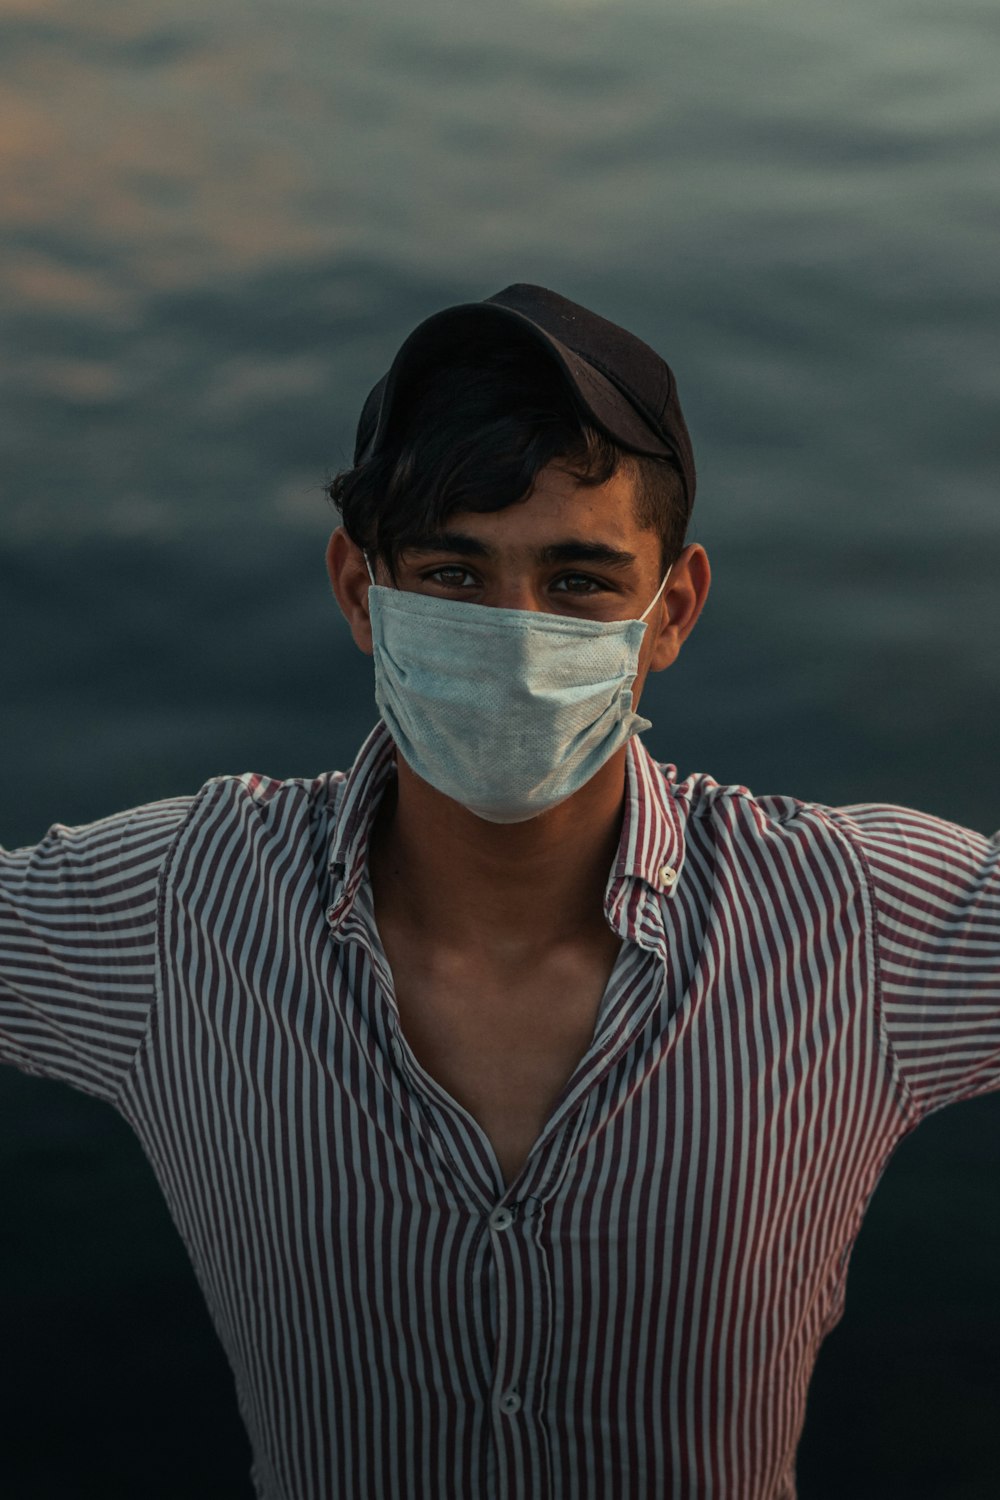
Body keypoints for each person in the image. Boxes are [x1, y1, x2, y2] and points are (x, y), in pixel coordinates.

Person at [1, 282, 997, 1500]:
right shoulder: (175, 909)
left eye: (578, 581)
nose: (517, 639)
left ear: (668, 610)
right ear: (362, 593)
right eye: (454, 576)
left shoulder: (858, 920)